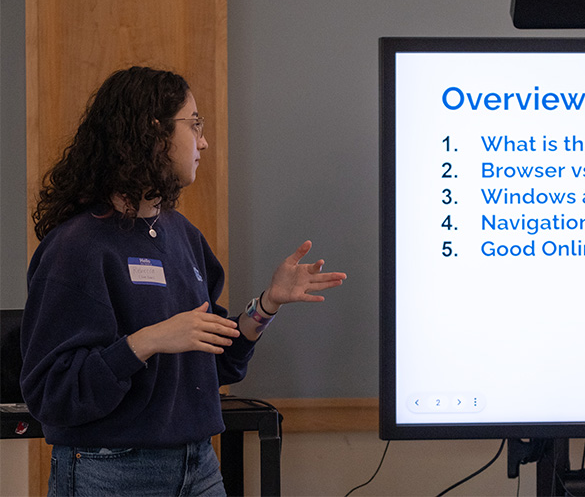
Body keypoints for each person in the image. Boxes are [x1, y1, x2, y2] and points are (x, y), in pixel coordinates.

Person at [19, 66, 347, 496]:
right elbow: (51, 393)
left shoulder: (183, 235)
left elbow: (213, 361)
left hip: (199, 466)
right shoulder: (77, 248)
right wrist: (146, 342)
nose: (204, 141)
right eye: (194, 125)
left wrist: (266, 305)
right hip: (112, 471)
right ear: (152, 132)